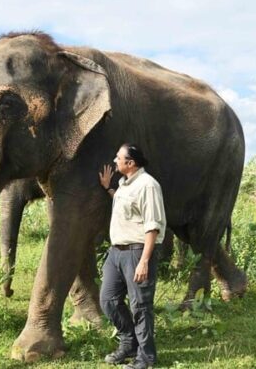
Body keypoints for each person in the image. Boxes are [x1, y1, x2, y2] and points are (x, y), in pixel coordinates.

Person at [98, 143, 166, 369]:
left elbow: (152, 226)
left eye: (119, 158)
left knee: (140, 306)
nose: (115, 160)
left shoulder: (148, 186)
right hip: (116, 252)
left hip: (137, 252)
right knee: (108, 299)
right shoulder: (125, 185)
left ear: (131, 163)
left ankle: (146, 358)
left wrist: (144, 260)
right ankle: (129, 343)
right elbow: (127, 207)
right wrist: (109, 189)